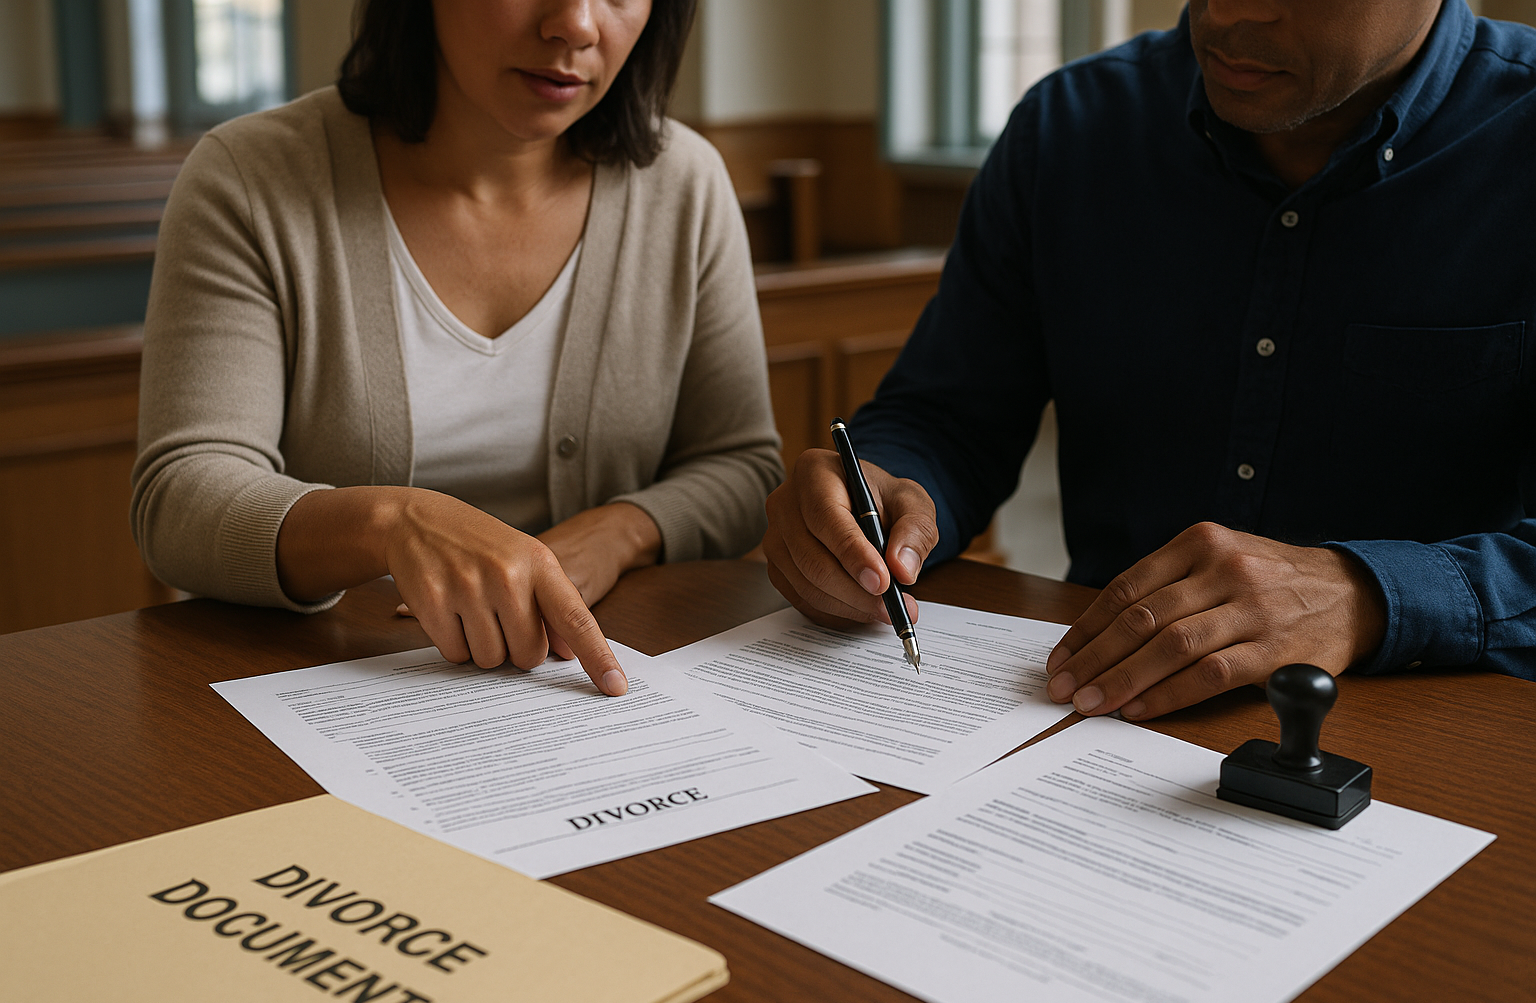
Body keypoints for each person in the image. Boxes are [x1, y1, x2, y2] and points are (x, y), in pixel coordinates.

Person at [764, 0, 1536, 719]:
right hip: (1090, 710)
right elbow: (948, 416)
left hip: (1436, 733)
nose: (1228, 13)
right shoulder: (1066, 129)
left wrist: (1371, 597)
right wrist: (888, 486)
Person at [132, 0, 781, 697]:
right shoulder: (251, 176)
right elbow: (181, 495)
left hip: (580, 687)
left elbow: (741, 464)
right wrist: (390, 525)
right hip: (322, 684)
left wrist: (624, 530)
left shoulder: (685, 182)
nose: (578, 25)